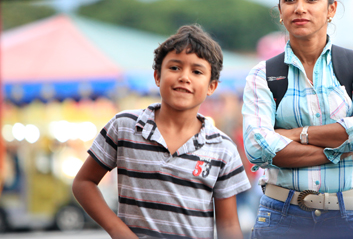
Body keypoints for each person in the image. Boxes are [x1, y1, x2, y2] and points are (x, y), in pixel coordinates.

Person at [242, 0, 353, 238]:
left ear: (331, 9)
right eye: (289, 0)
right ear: (280, 11)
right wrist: (341, 148)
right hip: (281, 216)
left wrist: (296, 135)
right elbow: (258, 148)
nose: (299, 8)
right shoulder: (262, 75)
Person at [73, 25, 251, 239]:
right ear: (157, 76)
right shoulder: (124, 126)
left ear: (212, 86)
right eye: (175, 68)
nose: (184, 77)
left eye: (197, 71)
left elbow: (229, 225)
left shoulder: (223, 148)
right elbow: (83, 183)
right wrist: (118, 231)